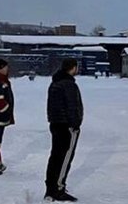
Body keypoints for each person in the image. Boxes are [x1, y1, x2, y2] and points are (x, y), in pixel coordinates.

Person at [44, 58, 83, 202]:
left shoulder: (55, 82)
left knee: (55, 157)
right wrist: (75, 124)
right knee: (65, 157)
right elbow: (73, 107)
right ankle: (58, 189)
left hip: (55, 123)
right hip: (67, 126)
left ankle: (50, 188)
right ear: (73, 68)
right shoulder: (69, 85)